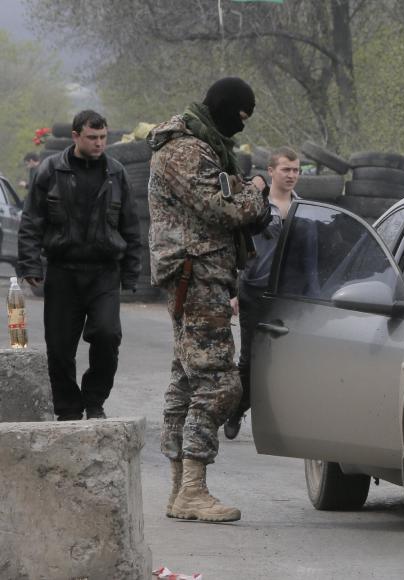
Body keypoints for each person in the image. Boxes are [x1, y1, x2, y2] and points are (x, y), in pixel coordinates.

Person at [147, 77, 269, 523]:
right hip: (195, 275)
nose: (240, 128)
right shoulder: (186, 149)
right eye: (239, 117)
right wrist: (255, 194)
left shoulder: (204, 144)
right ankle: (193, 488)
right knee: (219, 384)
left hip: (198, 275)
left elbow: (222, 195)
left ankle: (181, 490)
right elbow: (221, 208)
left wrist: (244, 191)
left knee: (187, 381)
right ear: (224, 108)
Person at [17, 110, 141, 421]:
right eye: (92, 137)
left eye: (103, 137)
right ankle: (68, 410)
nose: (100, 143)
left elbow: (131, 226)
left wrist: (131, 272)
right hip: (63, 271)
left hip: (104, 272)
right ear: (75, 136)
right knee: (59, 349)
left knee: (107, 335)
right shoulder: (51, 170)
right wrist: (31, 264)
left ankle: (95, 400)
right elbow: (31, 221)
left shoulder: (117, 173)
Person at [224, 146, 301, 440]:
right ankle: (235, 410)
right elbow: (234, 249)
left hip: (290, 296)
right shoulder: (254, 206)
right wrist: (233, 291)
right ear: (271, 172)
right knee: (251, 361)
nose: (292, 175)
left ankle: (280, 418)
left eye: (296, 170)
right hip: (254, 290)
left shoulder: (303, 209)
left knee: (286, 360)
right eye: (286, 169)